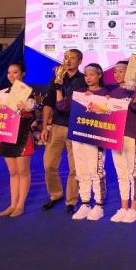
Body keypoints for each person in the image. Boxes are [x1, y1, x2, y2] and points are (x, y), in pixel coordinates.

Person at [56, 63, 110, 221]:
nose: (88, 78)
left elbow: (112, 115)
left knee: (96, 171)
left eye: (92, 74)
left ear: (99, 75)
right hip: (78, 136)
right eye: (86, 75)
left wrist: (106, 103)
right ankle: (85, 203)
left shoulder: (106, 93)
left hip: (96, 138)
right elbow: (61, 106)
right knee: (81, 171)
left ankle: (99, 205)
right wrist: (58, 87)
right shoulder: (79, 93)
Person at [41, 49, 86, 213]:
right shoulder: (56, 78)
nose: (68, 60)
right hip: (57, 126)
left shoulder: (84, 80)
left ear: (80, 61)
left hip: (76, 127)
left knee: (75, 168)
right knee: (49, 165)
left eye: (72, 58)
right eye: (66, 57)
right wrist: (44, 126)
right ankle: (55, 194)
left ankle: (72, 200)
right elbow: (48, 103)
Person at [107, 60, 136, 224]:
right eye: (115, 72)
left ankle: (134, 209)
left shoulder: (135, 91)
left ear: (130, 72)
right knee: (121, 174)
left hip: (133, 136)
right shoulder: (113, 92)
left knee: (134, 174)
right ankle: (123, 207)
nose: (117, 74)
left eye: (121, 71)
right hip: (116, 137)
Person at [0, 62, 36, 218]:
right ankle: (12, 204)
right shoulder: (2, 93)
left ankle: (20, 205)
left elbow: (33, 115)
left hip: (22, 135)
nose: (12, 75)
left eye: (15, 72)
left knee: (23, 172)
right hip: (7, 136)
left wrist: (26, 110)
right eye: (9, 73)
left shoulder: (29, 92)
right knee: (13, 173)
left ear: (23, 74)